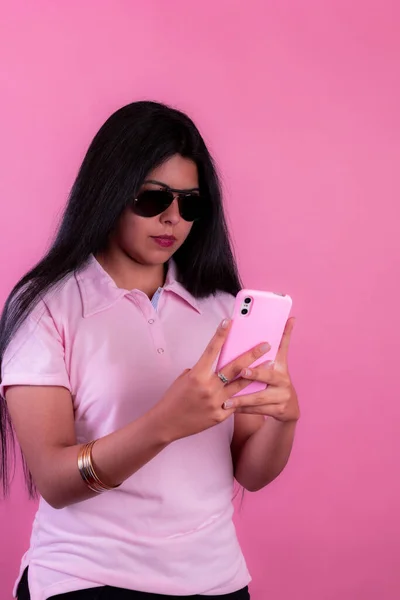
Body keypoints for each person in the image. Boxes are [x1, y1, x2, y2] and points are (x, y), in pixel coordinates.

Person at [0, 101, 300, 600]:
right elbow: (55, 479)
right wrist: (165, 423)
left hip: (217, 580)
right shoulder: (48, 308)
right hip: (87, 578)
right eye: (151, 198)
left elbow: (252, 471)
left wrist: (283, 420)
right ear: (109, 192)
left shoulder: (222, 307)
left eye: (191, 203)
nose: (172, 217)